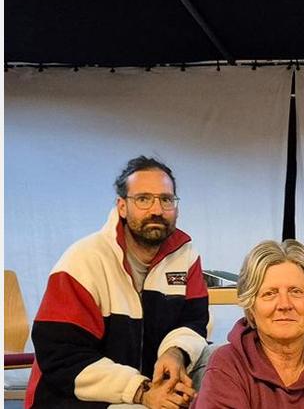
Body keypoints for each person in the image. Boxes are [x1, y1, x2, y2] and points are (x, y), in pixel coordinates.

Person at [26, 156, 211, 408]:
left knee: (218, 359)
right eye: (143, 199)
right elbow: (61, 356)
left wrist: (175, 352)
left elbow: (193, 322)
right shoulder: (82, 261)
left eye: (166, 199)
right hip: (75, 397)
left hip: (152, 387)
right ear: (122, 206)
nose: (156, 209)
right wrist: (141, 391)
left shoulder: (186, 256)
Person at [193, 240, 304, 408]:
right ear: (250, 308)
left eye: (295, 291)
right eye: (270, 293)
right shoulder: (227, 366)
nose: (284, 305)